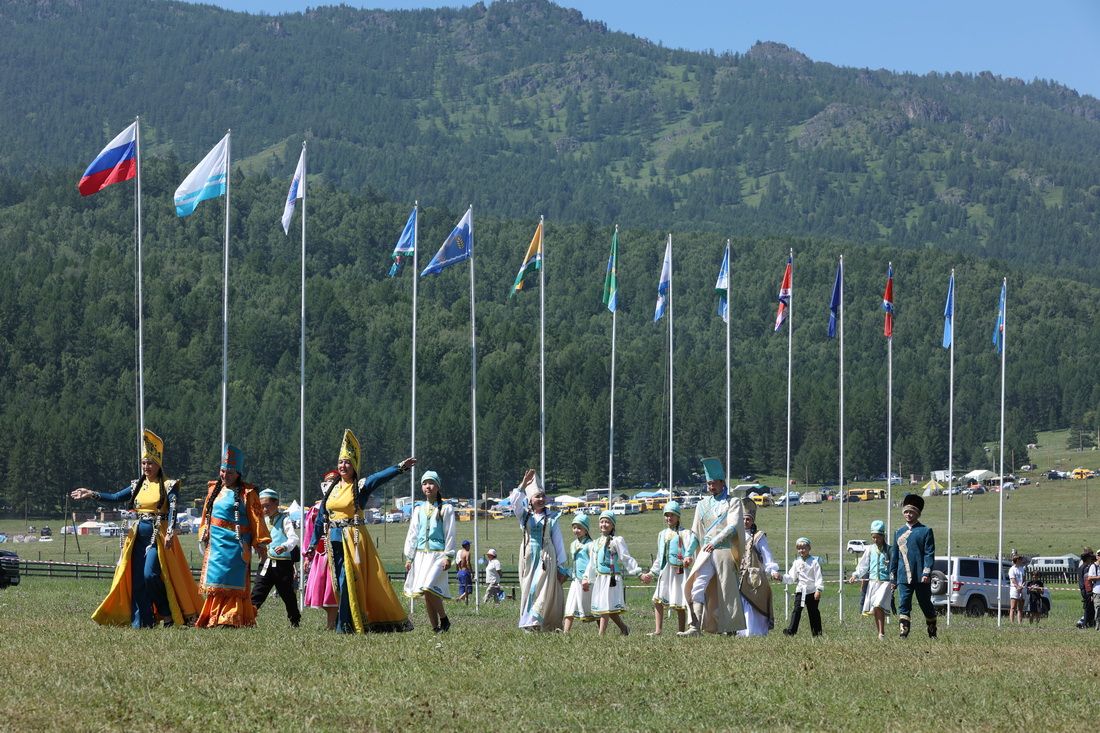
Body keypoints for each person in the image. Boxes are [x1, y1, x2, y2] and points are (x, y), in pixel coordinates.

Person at [70, 430, 201, 628]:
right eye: (144, 463)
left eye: (150, 463)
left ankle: (167, 613)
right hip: (138, 535)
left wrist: (171, 531)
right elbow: (115, 497)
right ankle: (144, 621)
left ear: (159, 464)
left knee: (150, 575)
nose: (146, 467)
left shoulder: (169, 485)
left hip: (158, 535)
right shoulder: (136, 485)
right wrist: (91, 493)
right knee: (138, 579)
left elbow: (173, 508)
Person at [304, 429, 416, 633]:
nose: (343, 466)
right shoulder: (331, 488)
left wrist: (400, 468)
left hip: (353, 540)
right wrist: (312, 544)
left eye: (347, 462)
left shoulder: (360, 486)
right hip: (333, 540)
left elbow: (379, 477)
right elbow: (321, 517)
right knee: (339, 583)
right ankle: (346, 621)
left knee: (347, 582)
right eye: (340, 462)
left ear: (354, 465)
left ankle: (346, 625)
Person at [196, 444, 270, 628]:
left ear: (238, 473)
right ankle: (213, 617)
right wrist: (204, 531)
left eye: (229, 472)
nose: (225, 475)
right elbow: (206, 514)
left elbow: (257, 519)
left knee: (233, 579)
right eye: (222, 471)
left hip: (237, 544)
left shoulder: (248, 493)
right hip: (216, 544)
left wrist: (260, 543)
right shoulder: (213, 489)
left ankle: (231, 618)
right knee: (217, 579)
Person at [680, 457, 746, 636]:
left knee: (726, 590)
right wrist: (688, 553)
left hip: (724, 551)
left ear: (722, 482)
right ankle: (695, 626)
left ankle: (731, 628)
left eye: (714, 483)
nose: (711, 487)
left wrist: (714, 542)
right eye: (709, 484)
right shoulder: (702, 505)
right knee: (697, 586)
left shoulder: (733, 502)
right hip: (705, 552)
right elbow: (695, 532)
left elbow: (733, 526)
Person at [509, 469, 566, 631]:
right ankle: (528, 622)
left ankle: (537, 621)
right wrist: (523, 485)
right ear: (530, 500)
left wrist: (561, 566)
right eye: (537, 496)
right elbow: (514, 502)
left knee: (541, 588)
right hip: (528, 556)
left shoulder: (551, 517)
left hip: (546, 557)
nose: (541, 499)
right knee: (528, 588)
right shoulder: (524, 516)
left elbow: (558, 541)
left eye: (543, 496)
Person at [403, 470, 456, 633]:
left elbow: (450, 532)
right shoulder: (418, 510)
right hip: (421, 556)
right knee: (427, 593)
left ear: (438, 487)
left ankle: (444, 619)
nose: (428, 486)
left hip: (438, 555)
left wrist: (448, 556)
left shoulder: (446, 508)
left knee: (428, 587)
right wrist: (410, 557)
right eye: (425, 483)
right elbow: (413, 534)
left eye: (431, 483)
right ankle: (435, 627)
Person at [640, 501, 698, 636]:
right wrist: (652, 573)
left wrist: (688, 559)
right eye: (666, 515)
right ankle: (658, 630)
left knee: (679, 601)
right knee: (657, 599)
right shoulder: (662, 534)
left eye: (672, 515)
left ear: (678, 516)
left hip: (679, 572)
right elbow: (660, 556)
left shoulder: (685, 533)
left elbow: (690, 551)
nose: (669, 518)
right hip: (666, 571)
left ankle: (681, 630)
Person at [583, 510, 643, 636]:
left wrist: (638, 572)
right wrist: (586, 577)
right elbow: (592, 563)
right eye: (602, 522)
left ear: (612, 525)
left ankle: (601, 634)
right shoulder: (595, 543)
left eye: (607, 522)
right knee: (608, 608)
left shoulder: (616, 541)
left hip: (611, 578)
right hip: (600, 578)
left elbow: (625, 557)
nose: (604, 524)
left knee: (605, 607)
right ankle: (624, 629)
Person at [888, 493, 937, 639]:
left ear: (917, 513)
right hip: (903, 576)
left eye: (911, 512)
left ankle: (932, 631)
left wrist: (926, 572)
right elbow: (894, 556)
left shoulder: (925, 531)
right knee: (904, 603)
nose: (908, 515)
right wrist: (893, 577)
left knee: (925, 603)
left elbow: (929, 554)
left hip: (921, 576)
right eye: (906, 512)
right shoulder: (898, 532)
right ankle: (903, 632)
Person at [251, 488, 301, 628]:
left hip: (282, 565)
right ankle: (248, 618)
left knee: (288, 595)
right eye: (262, 506)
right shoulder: (261, 521)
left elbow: (293, 538)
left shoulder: (285, 520)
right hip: (265, 562)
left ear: (276, 503)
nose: (265, 509)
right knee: (257, 592)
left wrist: (285, 546)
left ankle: (295, 620)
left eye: (267, 506)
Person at [301, 473, 339, 630]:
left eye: (333, 482)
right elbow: (310, 534)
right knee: (320, 590)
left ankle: (332, 624)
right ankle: (334, 621)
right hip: (320, 554)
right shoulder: (315, 510)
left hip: (339, 552)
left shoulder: (344, 506)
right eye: (327, 482)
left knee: (332, 590)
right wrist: (307, 555)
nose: (329, 485)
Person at [738, 500, 779, 637]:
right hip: (738, 575)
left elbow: (767, 555)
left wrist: (772, 570)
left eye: (748, 519)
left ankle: (754, 631)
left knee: (754, 602)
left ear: (752, 520)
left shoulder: (758, 536)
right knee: (741, 603)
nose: (745, 522)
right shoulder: (735, 535)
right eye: (743, 519)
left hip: (753, 576)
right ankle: (740, 631)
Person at [849, 520, 892, 639]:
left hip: (885, 582)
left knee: (878, 604)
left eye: (878, 537)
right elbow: (863, 565)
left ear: (883, 536)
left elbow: (894, 566)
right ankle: (880, 633)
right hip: (873, 583)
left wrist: (894, 580)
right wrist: (855, 575)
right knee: (876, 608)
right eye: (873, 537)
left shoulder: (890, 550)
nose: (875, 540)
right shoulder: (869, 549)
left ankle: (881, 632)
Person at [782, 537, 824, 637]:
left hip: (812, 592)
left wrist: (818, 590)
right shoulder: (797, 562)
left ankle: (817, 633)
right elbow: (792, 577)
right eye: (799, 548)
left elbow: (818, 577)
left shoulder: (814, 562)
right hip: (801, 591)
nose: (801, 550)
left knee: (813, 612)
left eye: (804, 548)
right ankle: (791, 631)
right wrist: (781, 578)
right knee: (797, 610)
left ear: (809, 548)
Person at [563, 512, 595, 632]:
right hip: (576, 579)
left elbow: (592, 562)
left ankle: (602, 631)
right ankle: (566, 632)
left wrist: (587, 577)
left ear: (586, 530)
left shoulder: (590, 545)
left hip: (586, 580)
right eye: (574, 527)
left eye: (579, 528)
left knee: (592, 606)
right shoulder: (573, 544)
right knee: (570, 605)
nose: (576, 530)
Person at [1079, 548, 1096, 629]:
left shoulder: (1081, 566)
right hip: (1086, 590)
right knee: (1088, 608)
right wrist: (1090, 592)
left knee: (1088, 607)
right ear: (1087, 558)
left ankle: (1086, 622)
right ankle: (1084, 623)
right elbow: (1087, 580)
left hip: (1083, 589)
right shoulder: (1086, 567)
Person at [1008, 551, 1027, 625]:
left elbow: (1024, 578)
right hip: (1014, 590)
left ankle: (1020, 623)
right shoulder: (1012, 569)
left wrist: (1022, 585)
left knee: (1020, 608)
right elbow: (1013, 579)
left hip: (1022, 589)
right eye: (1020, 559)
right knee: (1013, 607)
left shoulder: (1022, 569)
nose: (1021, 561)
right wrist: (1017, 586)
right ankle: (1012, 623)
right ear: (1016, 560)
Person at [455, 539, 473, 604]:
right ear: (467, 546)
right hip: (465, 572)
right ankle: (459, 599)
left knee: (462, 588)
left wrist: (457, 572)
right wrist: (471, 572)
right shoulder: (467, 553)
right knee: (469, 589)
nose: (470, 546)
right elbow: (468, 563)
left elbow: (457, 563)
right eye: (469, 545)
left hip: (460, 571)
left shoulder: (459, 553)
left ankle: (465, 603)